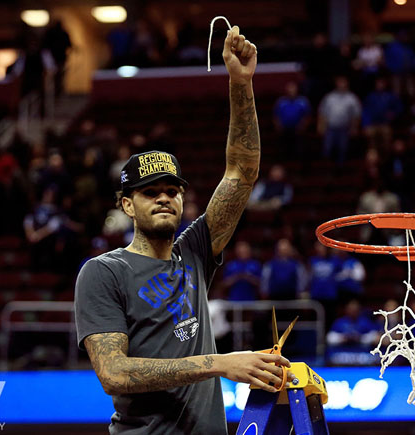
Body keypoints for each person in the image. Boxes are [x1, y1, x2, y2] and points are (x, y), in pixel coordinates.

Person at [74, 27, 293, 435]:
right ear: (127, 205)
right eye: (149, 192)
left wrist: (241, 83)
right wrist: (221, 363)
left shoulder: (193, 251)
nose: (163, 198)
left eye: (171, 190)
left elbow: (241, 174)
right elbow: (114, 374)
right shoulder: (103, 272)